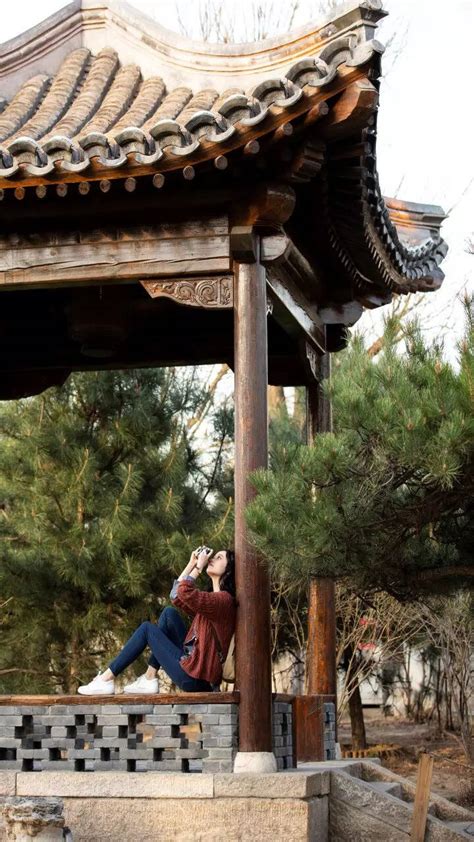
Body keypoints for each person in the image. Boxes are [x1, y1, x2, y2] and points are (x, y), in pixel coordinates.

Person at [78, 547, 236, 695]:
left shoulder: (223, 600)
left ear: (228, 570)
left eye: (219, 557)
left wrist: (198, 568)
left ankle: (106, 679)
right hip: (194, 667)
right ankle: (149, 677)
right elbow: (176, 596)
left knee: (147, 629)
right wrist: (191, 564)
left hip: (195, 678)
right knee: (169, 614)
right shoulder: (212, 601)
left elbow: (185, 591)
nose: (212, 559)